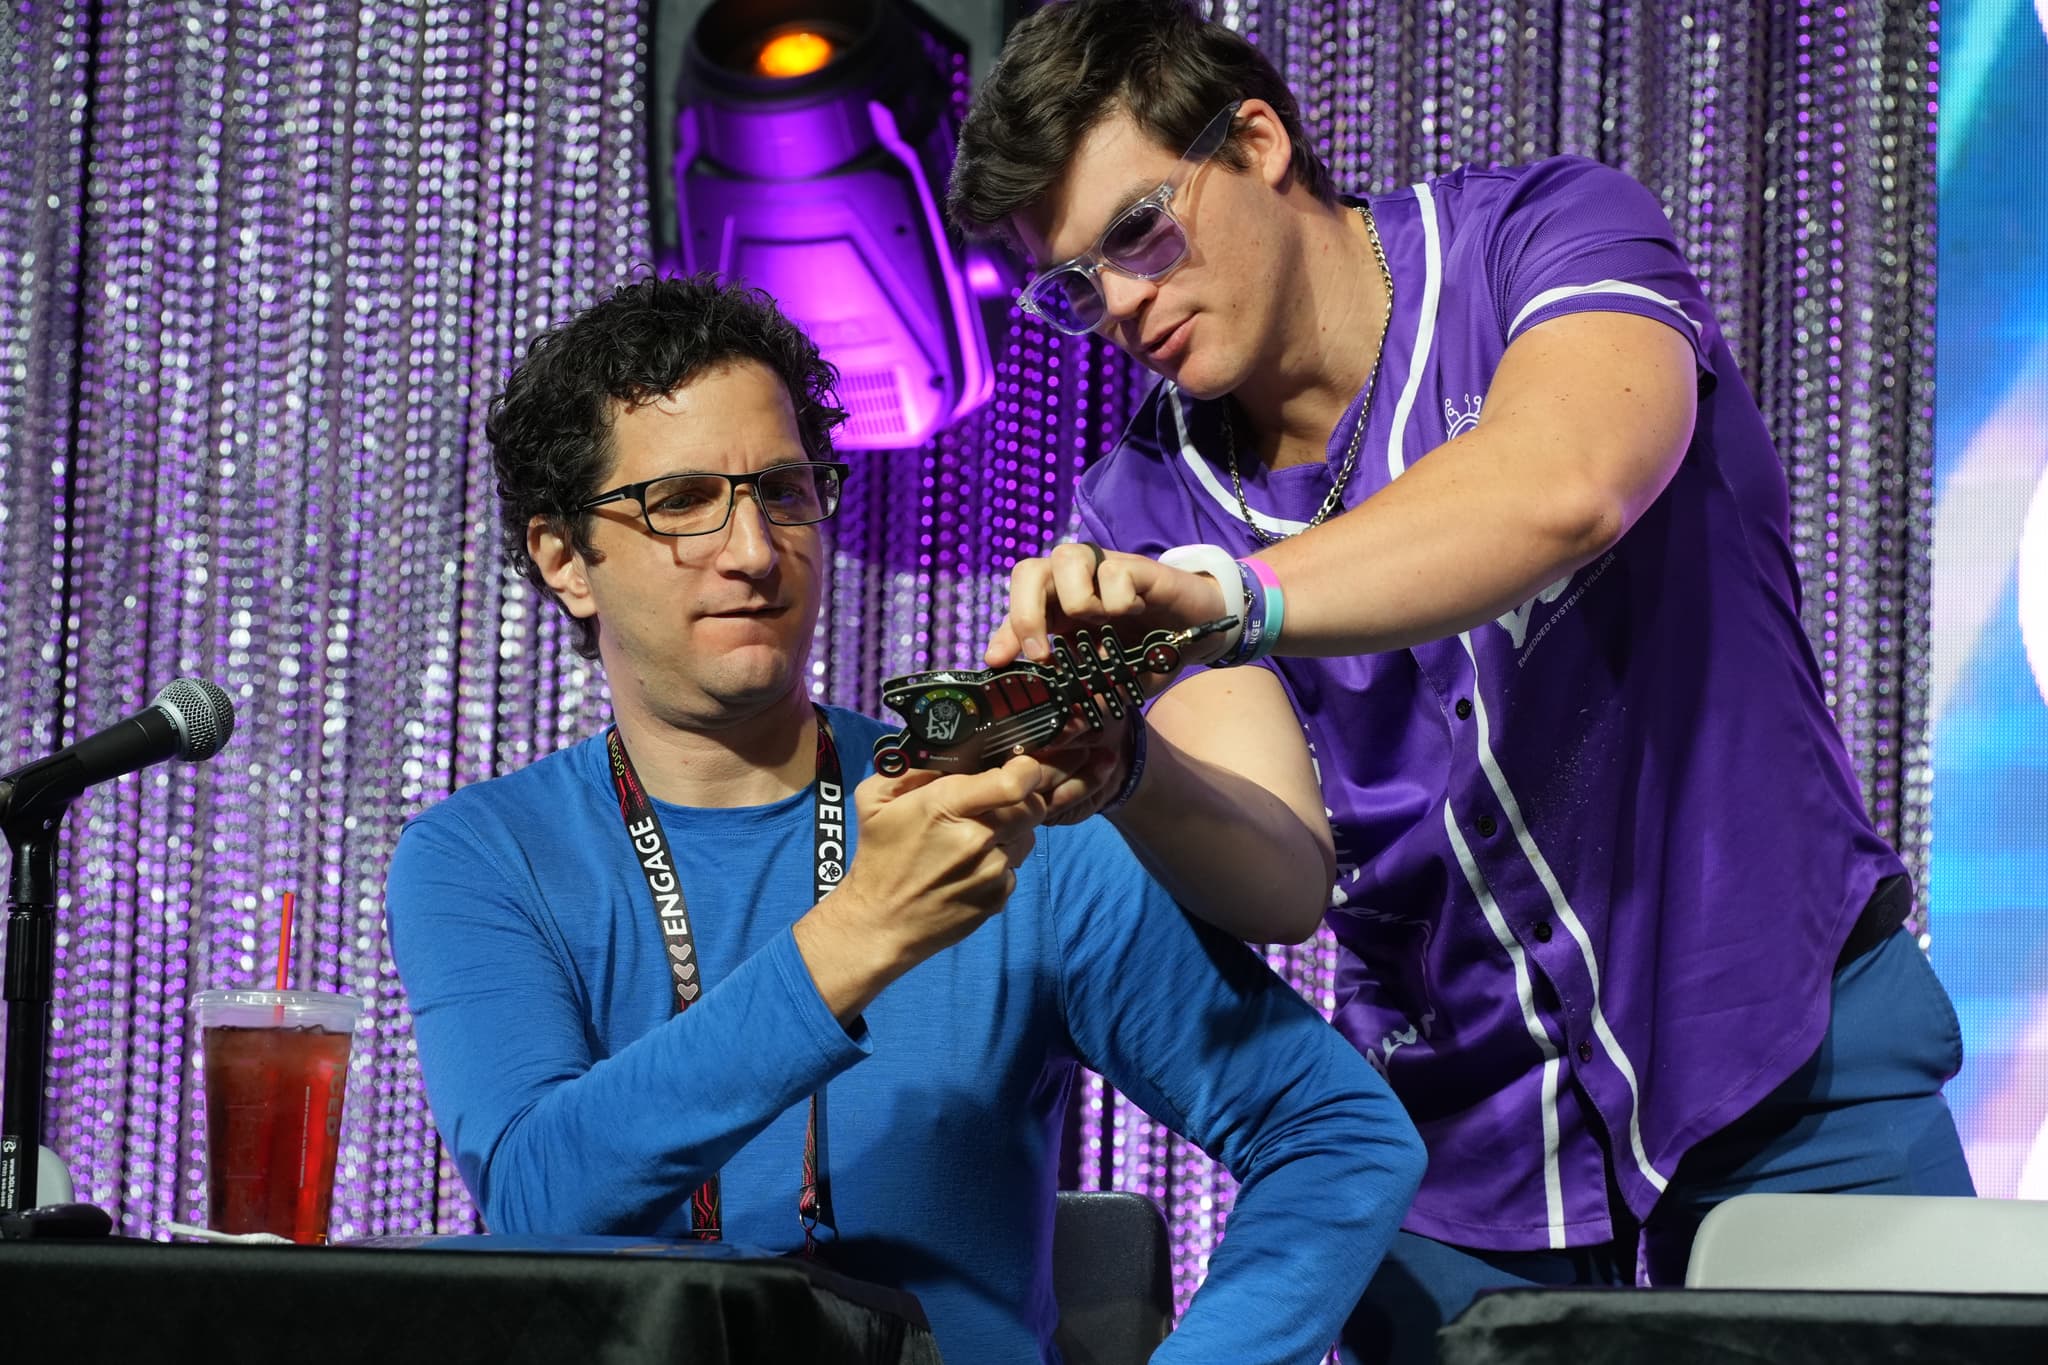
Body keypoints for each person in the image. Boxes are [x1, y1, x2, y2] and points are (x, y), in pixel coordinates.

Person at [946, 0, 1973, 1351]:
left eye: (1139, 231)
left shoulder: (1548, 236)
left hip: (1788, 1054)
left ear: (1256, 141)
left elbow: (1569, 486)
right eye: (1079, 286)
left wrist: (1235, 601)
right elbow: (1283, 877)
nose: (1125, 305)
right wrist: (1127, 765)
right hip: (1463, 1173)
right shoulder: (1143, 501)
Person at [383, 273, 1424, 1363]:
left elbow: (1337, 1138)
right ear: (563, 559)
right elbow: (540, 1199)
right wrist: (853, 938)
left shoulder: (1000, 805)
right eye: (683, 500)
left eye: (783, 491)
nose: (751, 551)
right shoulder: (483, 857)